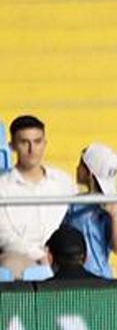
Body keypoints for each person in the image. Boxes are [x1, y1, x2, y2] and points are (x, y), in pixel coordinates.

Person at [0, 116, 76, 277]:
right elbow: (4, 235)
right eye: (24, 142)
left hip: (62, 257)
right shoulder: (2, 186)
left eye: (37, 141)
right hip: (22, 259)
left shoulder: (63, 181)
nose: (32, 149)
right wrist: (39, 255)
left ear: (45, 144)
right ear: (12, 146)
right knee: (9, 264)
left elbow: (73, 220)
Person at [63, 144, 117, 280]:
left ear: (89, 173)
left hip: (101, 277)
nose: (77, 168)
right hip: (75, 277)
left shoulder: (112, 204)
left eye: (81, 164)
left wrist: (114, 216)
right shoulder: (72, 203)